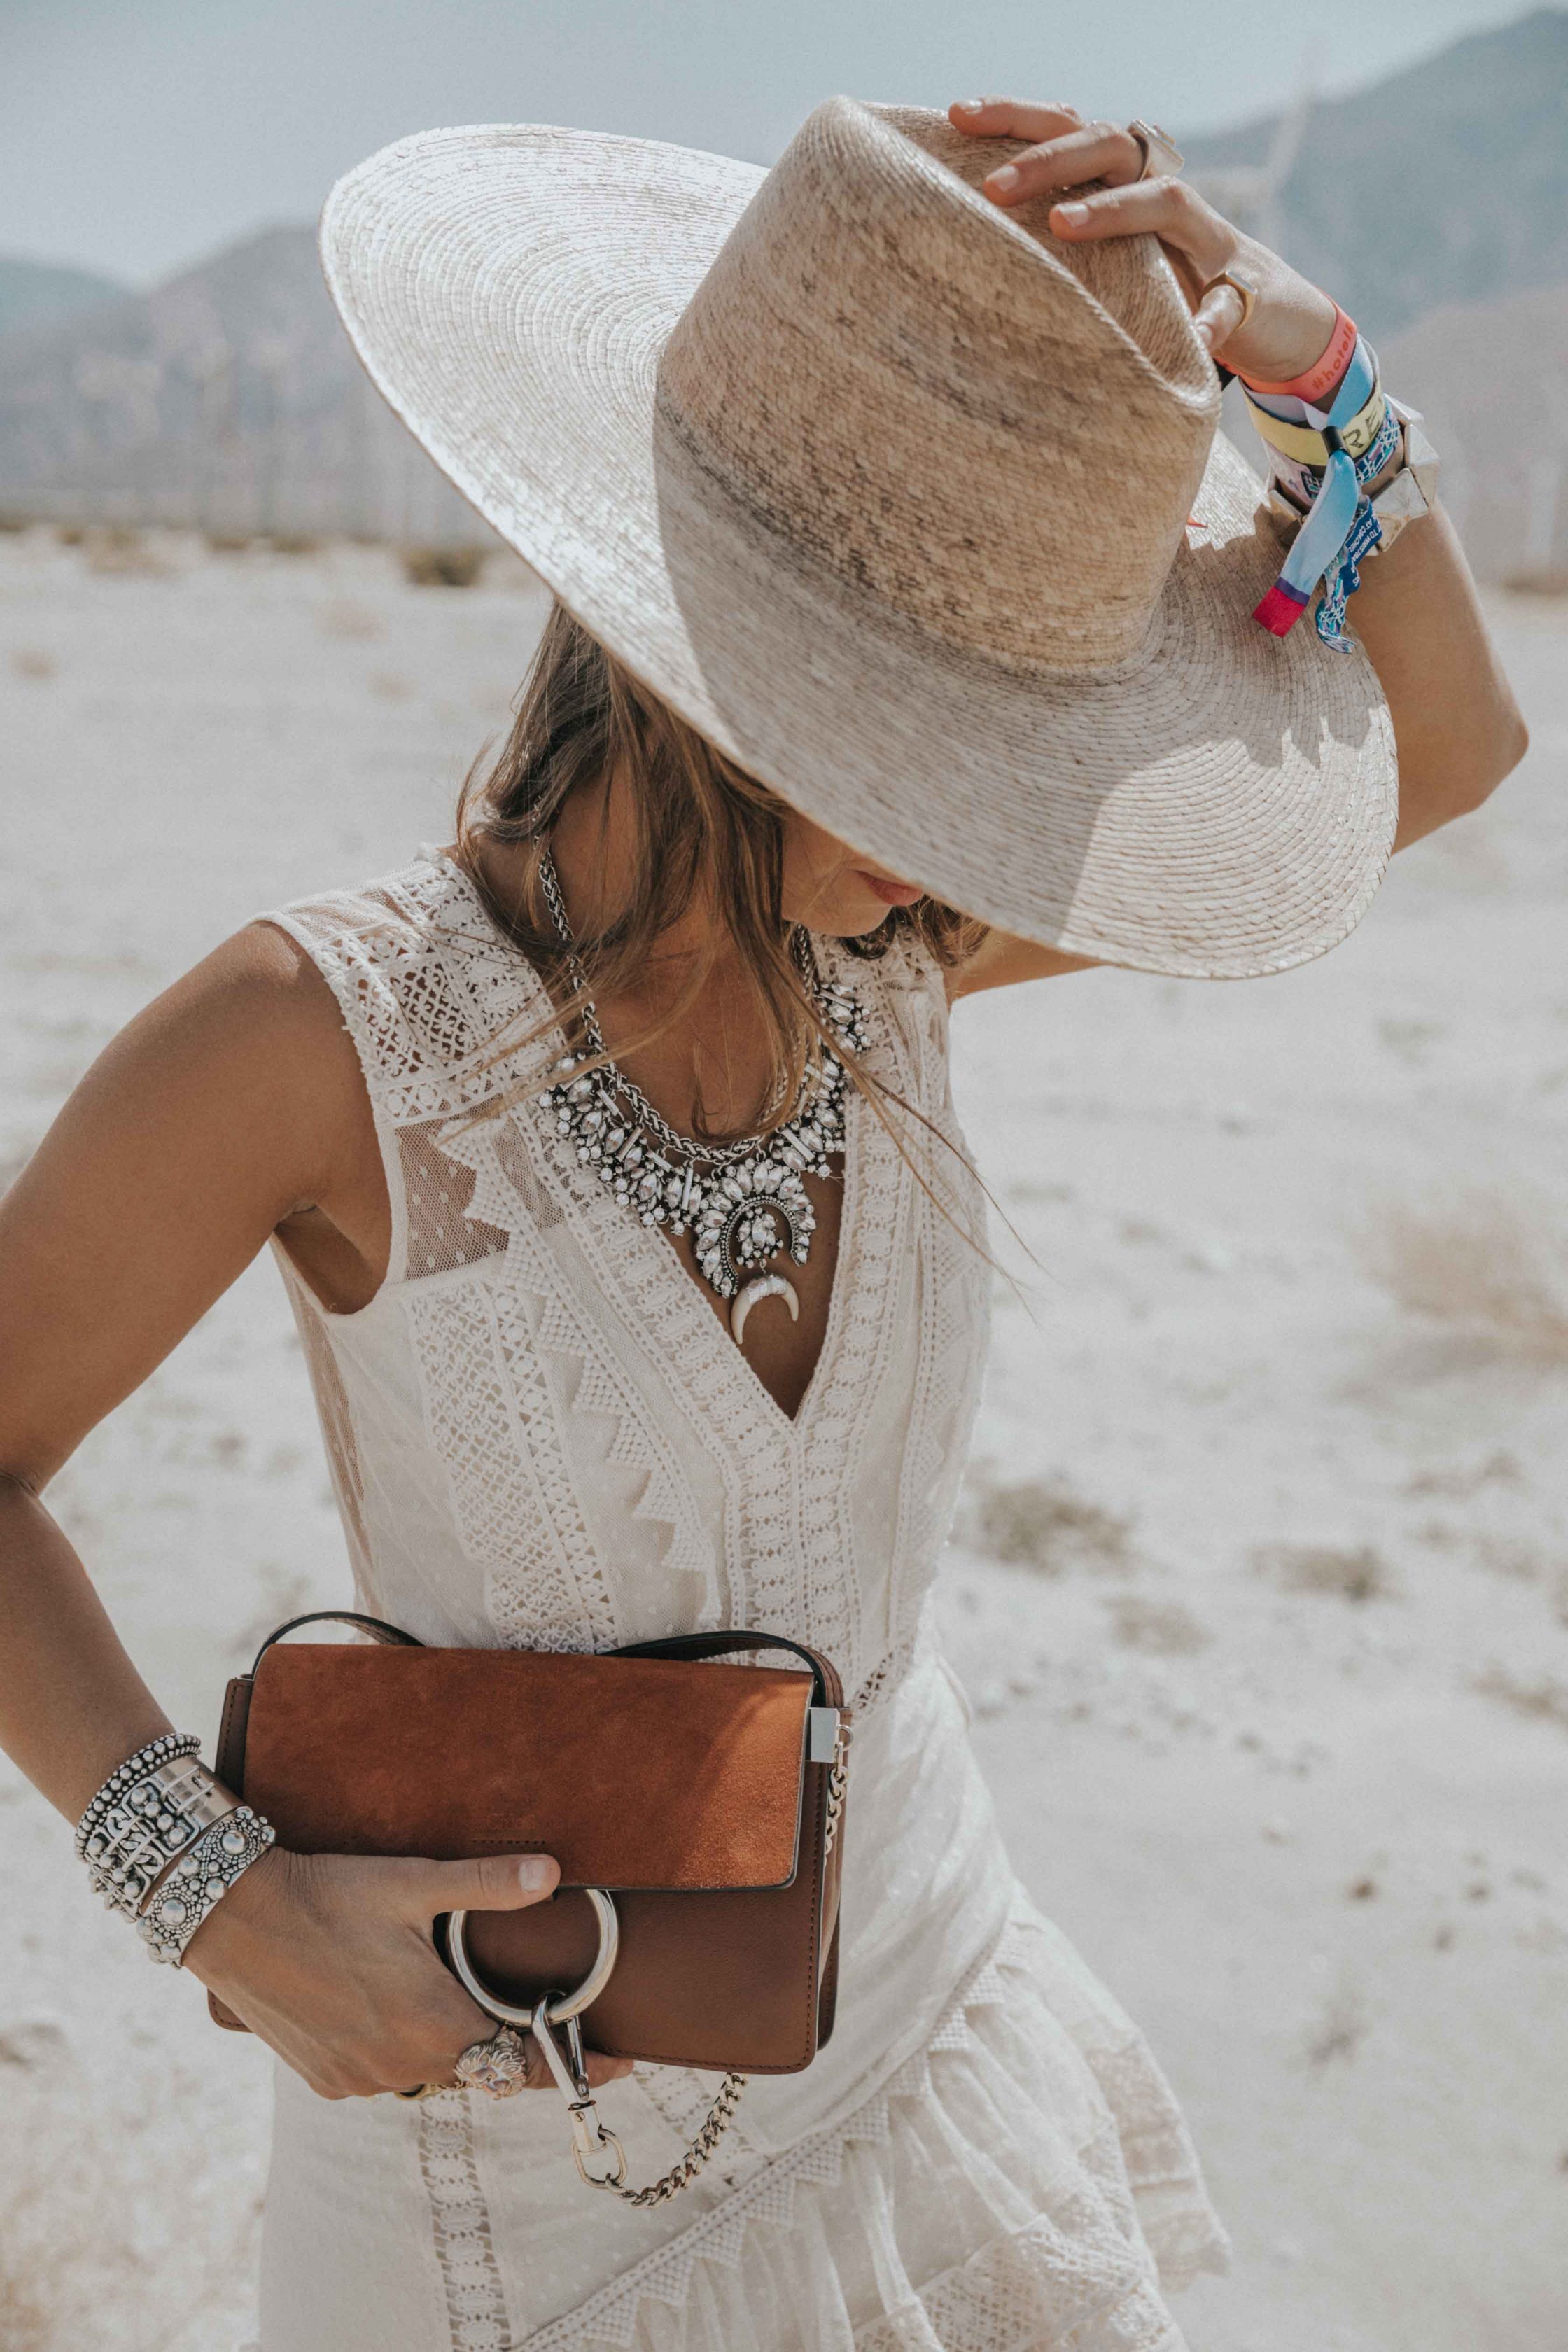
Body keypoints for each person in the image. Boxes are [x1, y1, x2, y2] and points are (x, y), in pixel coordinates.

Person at [0, 92, 1525, 2352]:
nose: (975, 822)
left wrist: (1318, 376)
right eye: (940, 745)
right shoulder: (312, 1037)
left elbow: (1448, 743)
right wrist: (210, 1896)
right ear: (728, 670)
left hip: (938, 2049)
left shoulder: (897, 958)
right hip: (493, 2216)